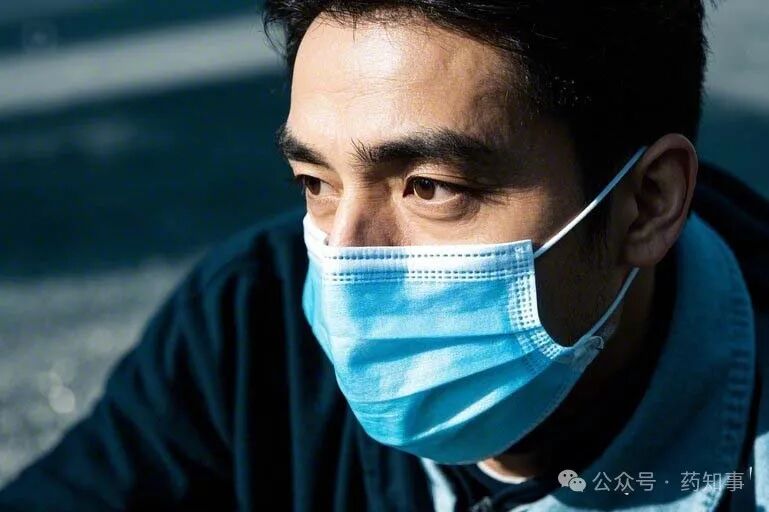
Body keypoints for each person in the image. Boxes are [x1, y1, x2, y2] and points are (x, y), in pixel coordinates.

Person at [1, 1, 768, 511]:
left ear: (648, 202)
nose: (343, 264)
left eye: (428, 188)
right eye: (316, 183)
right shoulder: (249, 327)